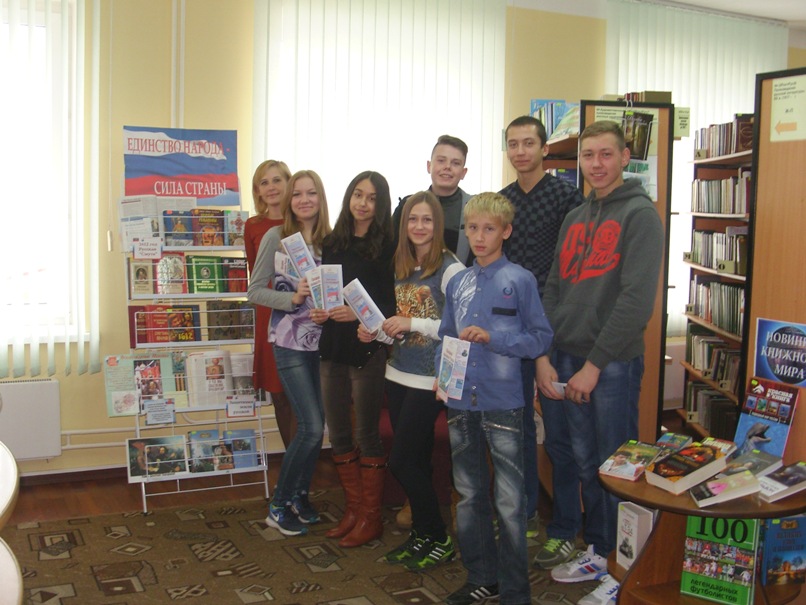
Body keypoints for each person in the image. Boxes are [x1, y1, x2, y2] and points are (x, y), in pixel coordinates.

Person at [535, 120, 663, 604]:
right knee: (587, 463)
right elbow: (554, 287)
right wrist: (544, 354)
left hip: (610, 364)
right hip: (565, 354)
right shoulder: (575, 216)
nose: (596, 164)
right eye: (588, 155)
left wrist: (594, 366)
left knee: (618, 468)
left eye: (606, 154)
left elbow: (635, 302)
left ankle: (624, 569)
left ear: (625, 157)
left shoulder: (641, 216)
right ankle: (599, 548)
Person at [437, 192, 553, 605]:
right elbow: (446, 336)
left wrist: (494, 338)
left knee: (509, 501)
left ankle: (516, 592)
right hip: (460, 403)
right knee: (469, 496)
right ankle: (481, 578)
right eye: (473, 228)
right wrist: (442, 379)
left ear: (506, 231)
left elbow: (540, 338)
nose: (480, 237)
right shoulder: (458, 283)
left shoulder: (519, 280)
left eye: (489, 229)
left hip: (503, 404)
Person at [358, 191, 464, 570]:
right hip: (398, 372)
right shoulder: (402, 265)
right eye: (413, 219)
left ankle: (438, 536)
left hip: (428, 379)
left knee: (402, 462)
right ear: (404, 225)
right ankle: (422, 536)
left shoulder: (451, 268)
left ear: (438, 224)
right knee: (416, 460)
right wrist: (376, 332)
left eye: (427, 219)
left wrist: (412, 322)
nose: (419, 226)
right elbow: (399, 325)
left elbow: (458, 326)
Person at [500, 115, 585, 545]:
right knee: (516, 433)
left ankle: (566, 526)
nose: (520, 151)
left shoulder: (568, 198)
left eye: (528, 143)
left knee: (560, 439)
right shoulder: (502, 201)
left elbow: (573, 269)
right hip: (512, 335)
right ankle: (525, 513)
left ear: (544, 149)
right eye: (513, 144)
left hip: (555, 333)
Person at [247, 169, 332, 537]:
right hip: (289, 343)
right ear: (289, 200)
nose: (304, 200)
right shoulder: (276, 237)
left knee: (317, 426)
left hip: (324, 346)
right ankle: (279, 505)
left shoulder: (331, 240)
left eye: (311, 193)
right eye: (297, 194)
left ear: (320, 198)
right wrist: (292, 298)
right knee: (310, 426)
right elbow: (254, 290)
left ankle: (299, 497)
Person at [314, 171, 396, 548]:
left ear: (381, 205)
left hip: (367, 347)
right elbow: (325, 291)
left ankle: (370, 517)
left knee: (366, 433)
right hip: (332, 345)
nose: (363, 203)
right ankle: (353, 509)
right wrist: (321, 311)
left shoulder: (388, 246)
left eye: (372, 198)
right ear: (348, 197)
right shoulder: (332, 242)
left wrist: (359, 313)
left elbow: (391, 303)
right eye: (358, 194)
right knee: (338, 432)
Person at [244, 160, 297, 449]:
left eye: (277, 180)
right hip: (269, 315)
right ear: (257, 191)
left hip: (300, 313)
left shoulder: (302, 220)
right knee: (279, 394)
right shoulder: (253, 226)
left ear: (289, 183)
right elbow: (256, 274)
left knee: (301, 392)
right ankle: (292, 459)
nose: (272, 187)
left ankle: (304, 461)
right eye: (264, 182)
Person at [392, 134, 473, 263]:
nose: (447, 167)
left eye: (455, 163)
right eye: (441, 160)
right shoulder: (407, 206)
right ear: (429, 166)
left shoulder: (475, 209)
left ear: (463, 173)